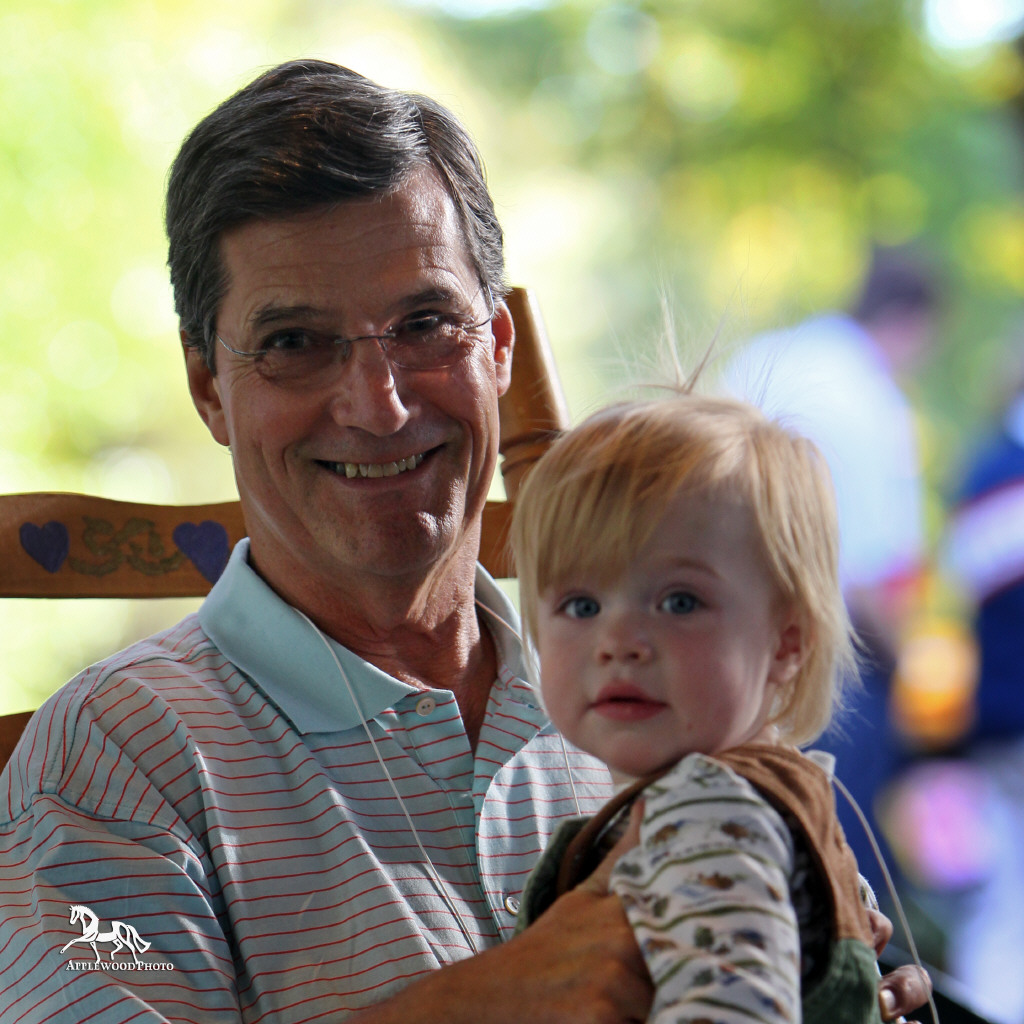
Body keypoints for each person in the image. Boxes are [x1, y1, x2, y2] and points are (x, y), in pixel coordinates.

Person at [0, 59, 928, 1023]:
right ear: (208, 390)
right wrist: (492, 1001)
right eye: (294, 343)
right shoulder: (117, 760)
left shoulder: (638, 687)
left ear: (499, 347)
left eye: (424, 324)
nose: (378, 405)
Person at [510, 390, 901, 1024]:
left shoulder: (709, 819)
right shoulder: (765, 799)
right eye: (582, 606)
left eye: (679, 602)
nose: (618, 642)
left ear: (786, 643)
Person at [719, 249, 939, 891]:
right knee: (839, 857)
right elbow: (871, 581)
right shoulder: (870, 398)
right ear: (910, 321)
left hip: (720, 641)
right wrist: (912, 670)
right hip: (830, 660)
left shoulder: (765, 356)